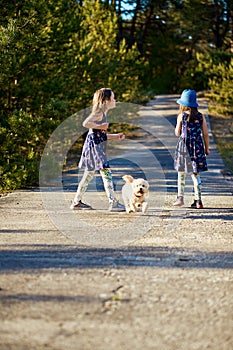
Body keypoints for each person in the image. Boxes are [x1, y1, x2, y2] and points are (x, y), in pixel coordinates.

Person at [70, 88, 126, 211]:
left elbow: (99, 135)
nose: (115, 100)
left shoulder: (103, 114)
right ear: (105, 100)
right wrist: (100, 126)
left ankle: (76, 202)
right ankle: (113, 203)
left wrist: (116, 136)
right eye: (113, 98)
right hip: (95, 150)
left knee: (88, 175)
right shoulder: (99, 113)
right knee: (106, 173)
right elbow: (85, 123)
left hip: (95, 148)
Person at [173, 89, 210, 209]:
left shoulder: (181, 116)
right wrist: (206, 148)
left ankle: (180, 198)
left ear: (182, 104)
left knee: (181, 173)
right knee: (195, 173)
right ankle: (198, 200)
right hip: (197, 147)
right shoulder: (201, 117)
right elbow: (205, 134)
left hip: (184, 147)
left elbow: (177, 133)